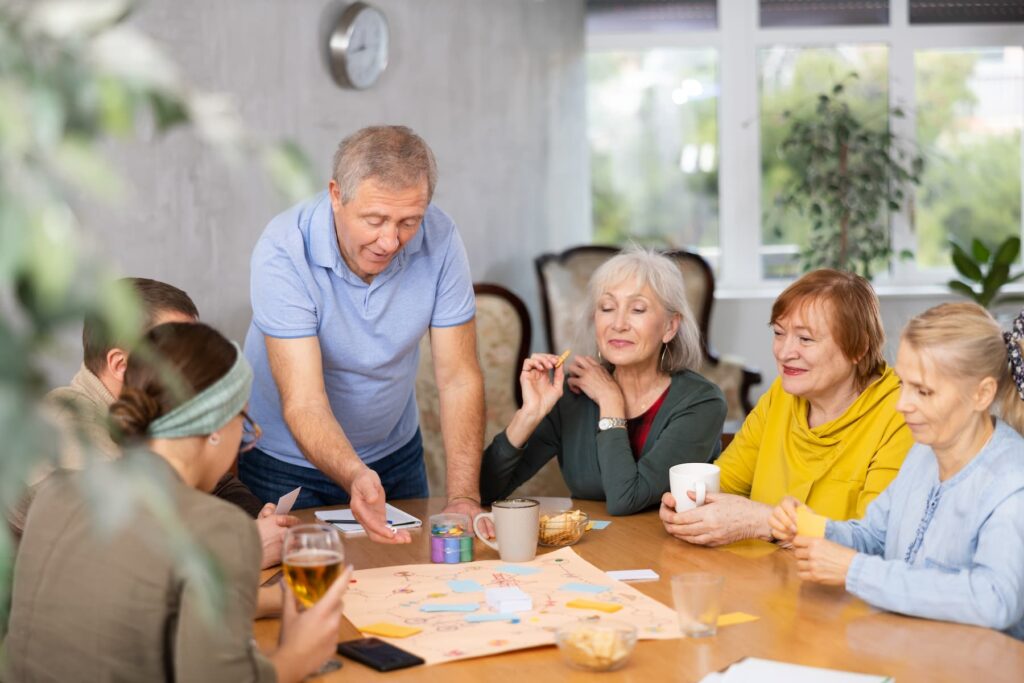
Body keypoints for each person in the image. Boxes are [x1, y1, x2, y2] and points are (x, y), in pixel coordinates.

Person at [4, 322, 349, 681]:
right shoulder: (218, 527)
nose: (245, 439)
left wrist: (276, 601)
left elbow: (135, 607)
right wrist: (297, 654)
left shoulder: (57, 494)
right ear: (217, 429)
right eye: (244, 423)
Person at [240, 125, 486, 543]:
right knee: (302, 596)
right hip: (284, 463)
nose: (391, 241)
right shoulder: (284, 249)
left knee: (408, 586)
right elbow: (303, 400)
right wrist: (354, 474)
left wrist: (464, 495)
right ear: (336, 195)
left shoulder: (441, 239)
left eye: (409, 221)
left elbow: (459, 378)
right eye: (375, 220)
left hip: (394, 455)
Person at [770, 303, 1024, 639]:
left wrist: (855, 571)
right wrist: (815, 529)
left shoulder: (1011, 482)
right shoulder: (923, 454)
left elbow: (995, 600)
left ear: (982, 394)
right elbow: (876, 536)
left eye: (923, 391)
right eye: (903, 383)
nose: (902, 404)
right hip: (906, 648)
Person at [9, 278, 295, 571]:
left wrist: (257, 519)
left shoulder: (158, 409)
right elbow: (130, 557)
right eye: (176, 350)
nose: (192, 363)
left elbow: (219, 484)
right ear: (120, 365)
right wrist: (246, 547)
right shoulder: (67, 429)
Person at [661, 269, 913, 546]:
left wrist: (764, 522)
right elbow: (725, 483)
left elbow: (873, 541)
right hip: (762, 576)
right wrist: (686, 505)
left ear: (859, 347)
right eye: (779, 333)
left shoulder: (901, 414)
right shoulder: (782, 394)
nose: (784, 352)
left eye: (805, 339)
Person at [480, 248, 727, 514]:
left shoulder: (701, 403)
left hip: (668, 550)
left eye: (638, 309)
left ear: (670, 327)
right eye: (607, 308)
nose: (618, 323)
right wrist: (529, 414)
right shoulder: (574, 397)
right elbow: (484, 491)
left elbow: (626, 499)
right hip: (590, 549)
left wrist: (610, 401)